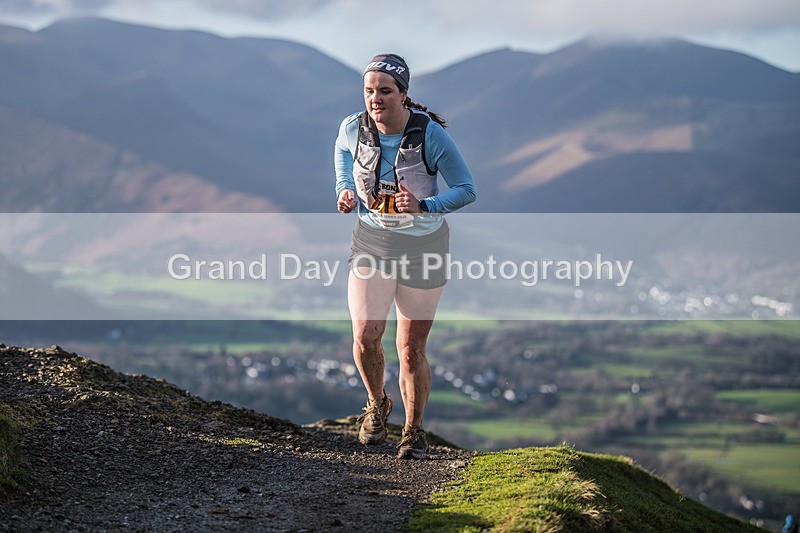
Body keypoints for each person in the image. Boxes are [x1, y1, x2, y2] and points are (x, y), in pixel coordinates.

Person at [334, 53, 476, 459]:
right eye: (368, 91)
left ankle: (413, 431)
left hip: (423, 245)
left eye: (384, 91)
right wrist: (345, 189)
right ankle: (377, 404)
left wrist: (423, 206)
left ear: (404, 94)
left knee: (410, 347)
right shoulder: (353, 127)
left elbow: (466, 189)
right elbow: (342, 153)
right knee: (364, 338)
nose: (375, 99)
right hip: (373, 241)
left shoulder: (429, 135)